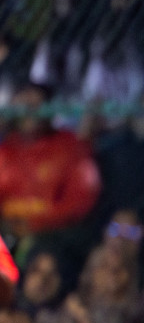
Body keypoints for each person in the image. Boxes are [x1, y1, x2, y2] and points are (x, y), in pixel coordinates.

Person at [0, 83, 101, 239]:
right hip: (7, 232)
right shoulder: (5, 149)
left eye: (35, 107)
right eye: (24, 107)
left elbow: (79, 201)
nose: (29, 114)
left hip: (53, 236)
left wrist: (36, 224)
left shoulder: (70, 146)